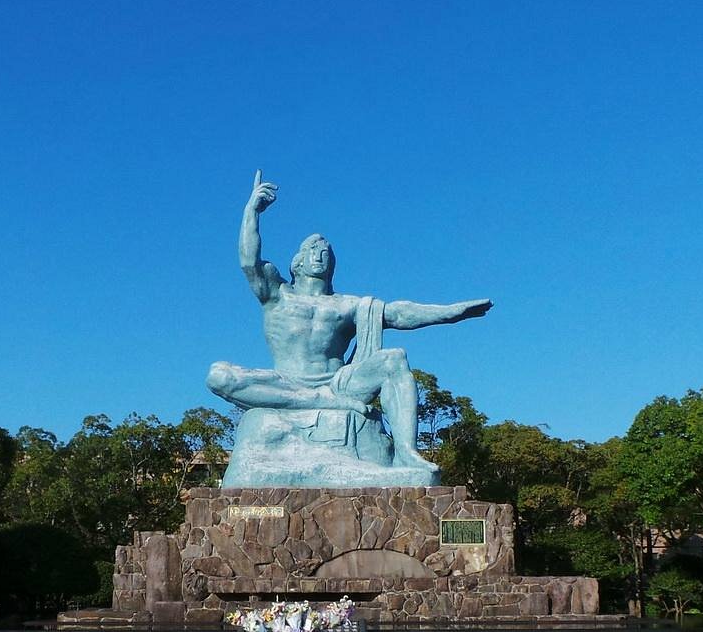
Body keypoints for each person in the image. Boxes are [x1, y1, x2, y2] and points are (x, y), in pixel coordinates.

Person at [206, 171, 492, 473]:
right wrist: (251, 211)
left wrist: (451, 312)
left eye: (325, 252)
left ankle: (407, 453)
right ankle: (315, 400)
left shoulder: (348, 305)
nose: (319, 254)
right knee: (218, 376)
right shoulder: (277, 295)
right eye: (311, 250)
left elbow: (398, 313)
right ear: (296, 263)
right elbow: (248, 261)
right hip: (286, 382)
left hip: (338, 385)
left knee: (394, 359)